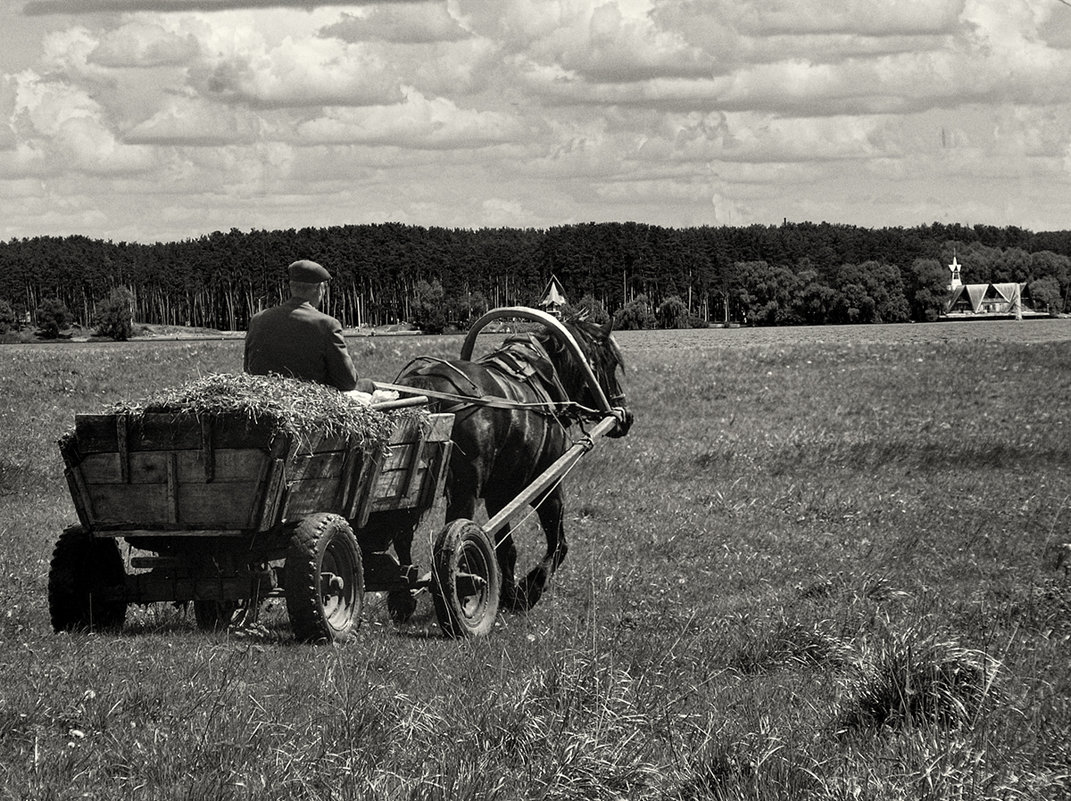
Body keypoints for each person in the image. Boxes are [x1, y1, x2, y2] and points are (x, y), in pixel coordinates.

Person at [244, 259, 373, 392]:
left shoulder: (257, 320)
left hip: (264, 396)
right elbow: (348, 382)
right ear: (319, 289)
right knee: (368, 385)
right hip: (310, 400)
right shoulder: (327, 325)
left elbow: (248, 369)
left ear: (291, 287)